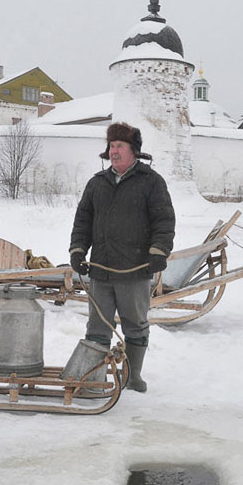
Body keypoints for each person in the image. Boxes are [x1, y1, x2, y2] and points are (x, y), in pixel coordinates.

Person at [69, 122, 175, 392]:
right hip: (101, 271)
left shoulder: (151, 182)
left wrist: (158, 251)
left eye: (120, 146)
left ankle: (132, 375)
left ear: (134, 151)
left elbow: (164, 221)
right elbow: (83, 221)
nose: (114, 151)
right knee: (97, 327)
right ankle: (94, 379)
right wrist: (78, 250)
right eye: (112, 146)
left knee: (135, 326)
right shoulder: (97, 183)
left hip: (134, 271)